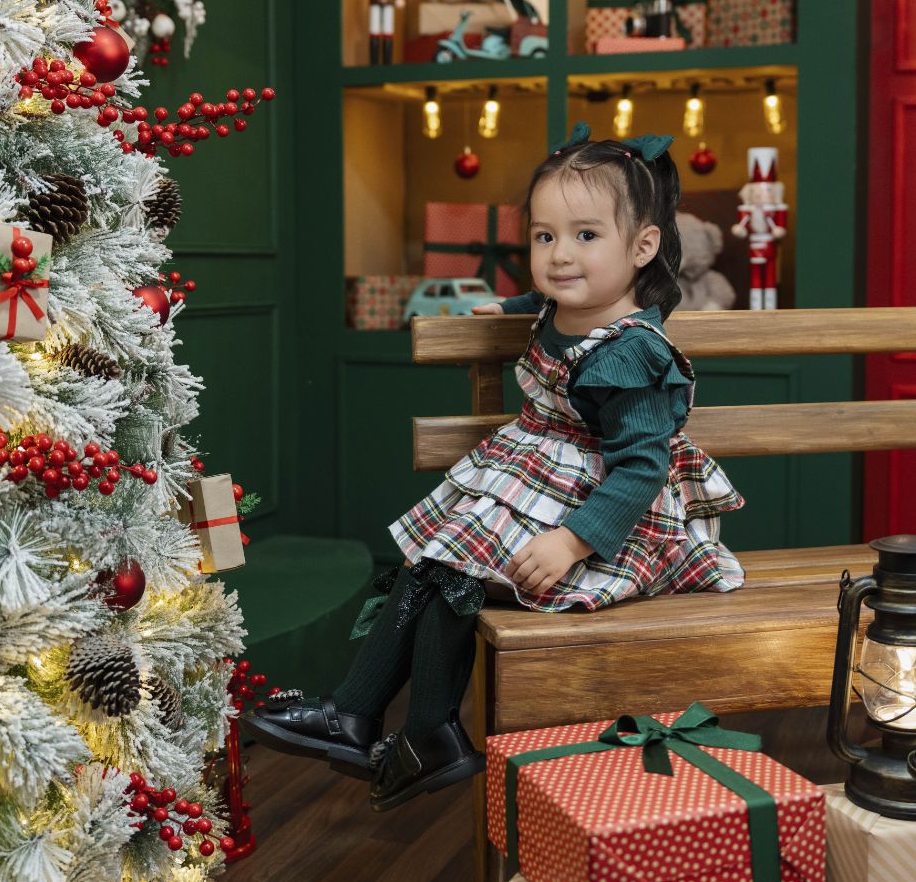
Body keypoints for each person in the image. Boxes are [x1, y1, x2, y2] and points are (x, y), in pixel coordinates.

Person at [242, 125, 744, 812]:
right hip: (541, 486)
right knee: (437, 561)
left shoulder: (632, 353)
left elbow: (640, 471)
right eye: (544, 236)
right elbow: (543, 303)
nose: (560, 255)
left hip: (608, 521)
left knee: (454, 565)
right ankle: (369, 719)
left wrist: (573, 541)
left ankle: (410, 726)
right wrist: (505, 308)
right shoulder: (569, 305)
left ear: (643, 246)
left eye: (586, 236)